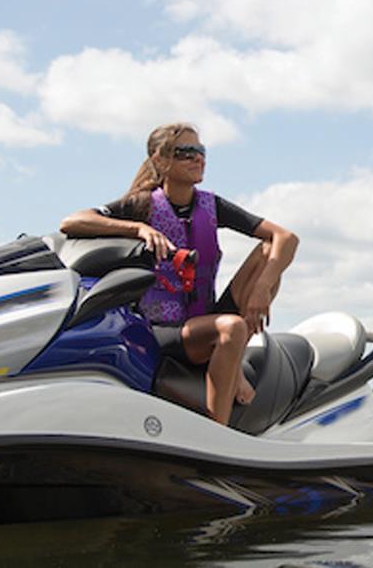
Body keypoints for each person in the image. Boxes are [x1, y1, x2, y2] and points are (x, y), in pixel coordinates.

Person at [59, 122, 299, 426]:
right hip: (163, 329)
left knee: (268, 253)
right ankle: (216, 433)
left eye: (201, 151)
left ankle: (232, 362)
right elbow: (72, 221)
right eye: (186, 152)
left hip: (205, 317)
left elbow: (286, 237)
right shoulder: (142, 205)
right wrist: (137, 228)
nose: (198, 158)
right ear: (161, 160)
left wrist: (263, 287)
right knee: (231, 326)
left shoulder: (212, 206)